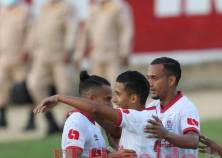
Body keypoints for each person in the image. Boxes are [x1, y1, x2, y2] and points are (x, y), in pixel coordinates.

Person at [27, 0, 78, 134]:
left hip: (60, 54)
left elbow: (71, 29)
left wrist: (69, 49)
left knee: (65, 89)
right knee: (34, 84)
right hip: (42, 54)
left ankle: (68, 123)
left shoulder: (67, 7)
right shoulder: (44, 8)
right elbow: (36, 29)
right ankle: (50, 120)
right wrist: (30, 49)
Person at [75, 0, 134, 83]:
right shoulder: (94, 8)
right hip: (96, 55)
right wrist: (79, 54)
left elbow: (126, 31)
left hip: (114, 55)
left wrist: (125, 51)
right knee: (97, 86)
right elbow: (86, 32)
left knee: (115, 85)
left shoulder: (119, 7)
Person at [0, 0, 32, 128]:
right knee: (2, 86)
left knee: (25, 88)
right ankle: (2, 116)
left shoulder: (24, 11)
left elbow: (30, 33)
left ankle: (31, 119)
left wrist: (27, 50)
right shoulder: (3, 11)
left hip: (20, 57)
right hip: (4, 56)